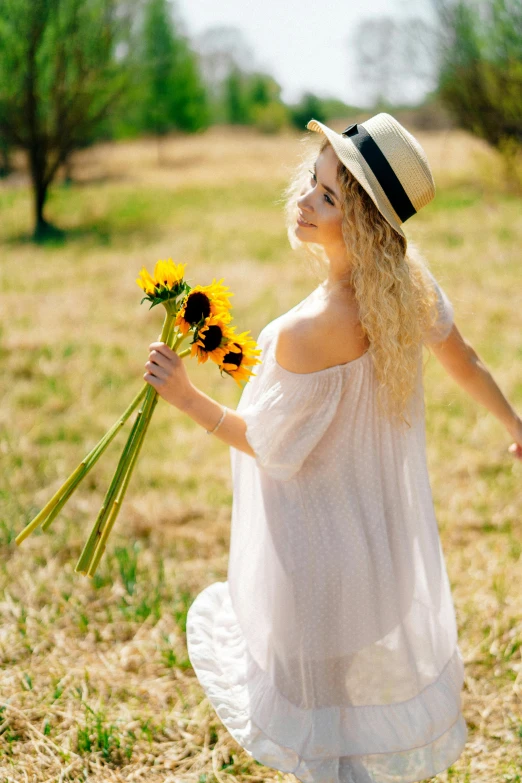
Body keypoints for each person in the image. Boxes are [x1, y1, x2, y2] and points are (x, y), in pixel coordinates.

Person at [143, 113, 522, 783]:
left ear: (366, 224)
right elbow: (466, 362)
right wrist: (515, 423)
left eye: (328, 198)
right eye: (313, 184)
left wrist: (185, 396)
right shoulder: (408, 289)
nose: (304, 202)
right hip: (375, 559)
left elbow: (265, 442)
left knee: (319, 743)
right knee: (335, 718)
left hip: (314, 565)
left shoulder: (309, 327)